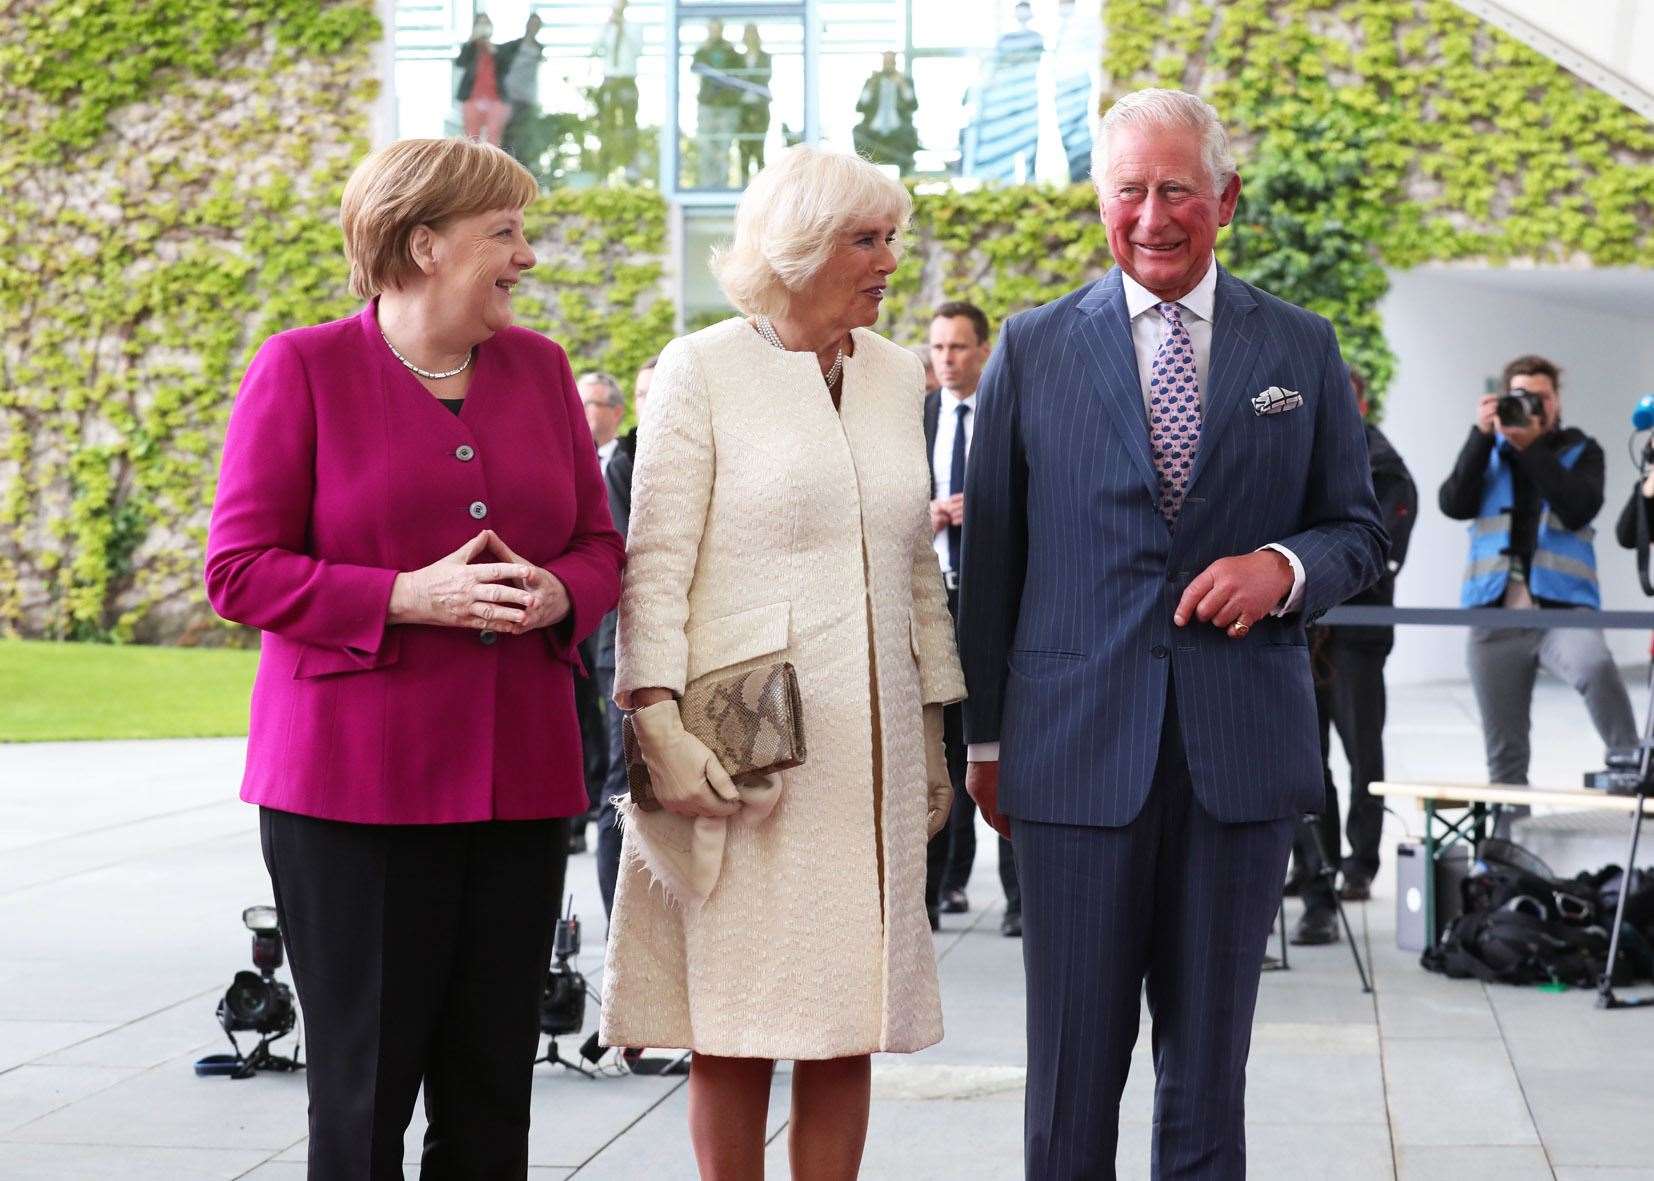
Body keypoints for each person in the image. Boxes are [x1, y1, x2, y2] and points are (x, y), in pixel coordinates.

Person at [957, 89, 1386, 1177]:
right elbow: (993, 562)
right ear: (1101, 202)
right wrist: (986, 742)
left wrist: (1282, 567)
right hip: (1070, 762)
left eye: (1177, 190)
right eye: (1130, 191)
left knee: (1207, 1079)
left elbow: (1356, 528)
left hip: (1235, 761)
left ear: (1225, 199)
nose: (1153, 215)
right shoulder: (1033, 345)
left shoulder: (1297, 343)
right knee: (1068, 1078)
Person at [203, 138, 625, 1179]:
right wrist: (402, 594)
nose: (526, 257)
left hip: (521, 784)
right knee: (364, 1093)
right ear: (424, 242)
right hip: (352, 795)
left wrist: (563, 589)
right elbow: (239, 568)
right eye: (505, 233)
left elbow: (599, 543)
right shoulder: (300, 367)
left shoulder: (541, 368)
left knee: (493, 1095)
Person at [600, 145, 964, 1179]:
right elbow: (654, 563)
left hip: (874, 750)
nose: (890, 257)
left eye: (892, 235)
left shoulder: (898, 373)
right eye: (866, 238)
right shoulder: (700, 365)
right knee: (738, 1012)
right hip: (744, 750)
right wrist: (655, 725)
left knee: (850, 1011)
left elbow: (915, 570)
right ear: (798, 250)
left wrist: (934, 731)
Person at [1438, 355, 1636, 822]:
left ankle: (1632, 765)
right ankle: (1509, 855)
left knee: (1597, 666)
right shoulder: (1487, 450)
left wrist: (1531, 448)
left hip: (1563, 610)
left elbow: (1578, 507)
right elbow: (1453, 503)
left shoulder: (1581, 449)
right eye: (1521, 396)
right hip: (1494, 615)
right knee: (1504, 755)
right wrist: (1480, 436)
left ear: (1557, 401)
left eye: (1541, 397)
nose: (1532, 405)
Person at [1290, 369, 1417, 946]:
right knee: (1307, 761)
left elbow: (1375, 550)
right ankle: (1314, 861)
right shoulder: (1299, 448)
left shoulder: (1383, 464)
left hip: (1356, 639)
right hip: (1305, 634)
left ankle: (1360, 864)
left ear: (1360, 403)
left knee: (1362, 752)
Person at [923, 300, 1022, 937]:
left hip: (994, 600)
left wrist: (980, 511)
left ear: (982, 350)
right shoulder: (919, 414)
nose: (947, 360)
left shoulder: (1009, 414)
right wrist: (930, 512)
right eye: (937, 349)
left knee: (1005, 744)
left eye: (958, 347)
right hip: (935, 597)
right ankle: (927, 897)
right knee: (936, 751)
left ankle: (1020, 900)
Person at [595, 359, 652, 919]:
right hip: (628, 642)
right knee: (624, 779)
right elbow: (626, 561)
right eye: (641, 392)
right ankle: (619, 916)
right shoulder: (624, 463)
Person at [569, 373, 629, 854]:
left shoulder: (626, 464)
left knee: (620, 766)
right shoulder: (559, 459)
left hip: (612, 629)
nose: (580, 410)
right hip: (571, 621)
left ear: (615, 411)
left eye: (589, 403)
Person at [593, 0, 642, 178]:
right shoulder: (606, 28)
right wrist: (607, 27)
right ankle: (605, 170)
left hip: (627, 80)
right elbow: (595, 48)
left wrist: (623, 29)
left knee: (629, 125)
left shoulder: (634, 27)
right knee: (607, 125)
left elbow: (638, 49)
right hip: (609, 80)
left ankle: (630, 169)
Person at [692, 20, 744, 188]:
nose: (714, 32)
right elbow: (694, 67)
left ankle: (722, 184)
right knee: (706, 146)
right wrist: (703, 49)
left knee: (723, 146)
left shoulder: (731, 51)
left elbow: (740, 73)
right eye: (711, 29)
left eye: (717, 29)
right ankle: (707, 184)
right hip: (707, 104)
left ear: (722, 30)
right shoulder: (703, 50)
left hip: (727, 105)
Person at [854, 52, 920, 175]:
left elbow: (913, 105)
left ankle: (906, 178)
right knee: (858, 131)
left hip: (898, 128)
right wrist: (871, 85)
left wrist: (902, 85)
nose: (888, 65)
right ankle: (863, 175)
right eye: (886, 62)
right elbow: (860, 106)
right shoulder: (873, 81)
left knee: (910, 132)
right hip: (874, 127)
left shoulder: (905, 81)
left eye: (891, 62)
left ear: (895, 63)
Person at [454, 15, 509, 146]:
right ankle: (473, 165)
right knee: (471, 139)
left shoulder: (498, 50)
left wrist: (493, 51)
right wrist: (471, 42)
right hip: (472, 99)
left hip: (495, 99)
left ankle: (493, 165)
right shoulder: (470, 49)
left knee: (493, 139)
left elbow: (505, 69)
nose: (483, 27)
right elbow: (460, 63)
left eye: (486, 24)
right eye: (480, 24)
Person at [735, 24, 773, 184]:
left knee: (758, 148)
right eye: (747, 34)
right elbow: (735, 80)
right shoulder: (738, 58)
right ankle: (743, 185)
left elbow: (763, 78)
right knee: (743, 149)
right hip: (742, 107)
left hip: (760, 108)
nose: (749, 37)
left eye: (752, 34)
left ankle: (761, 186)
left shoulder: (765, 57)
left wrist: (745, 81)